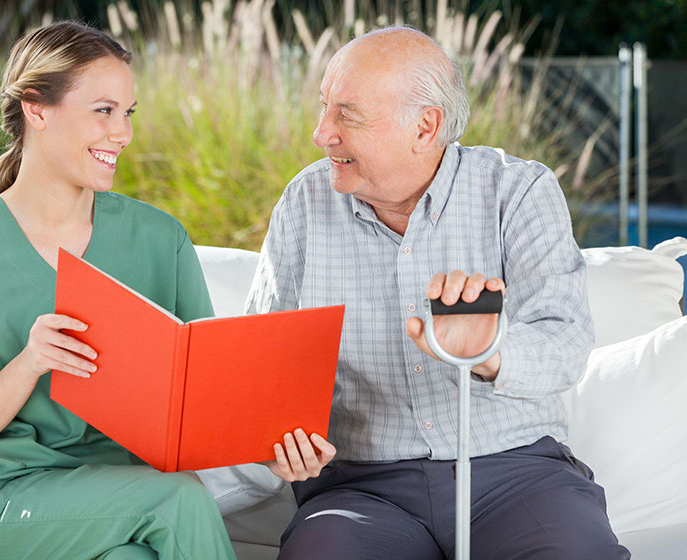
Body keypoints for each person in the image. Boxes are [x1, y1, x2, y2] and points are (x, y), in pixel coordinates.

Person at [245, 27, 631, 559]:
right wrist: (278, 436)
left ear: (425, 126)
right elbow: (265, 356)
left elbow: (565, 344)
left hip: (515, 474)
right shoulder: (304, 202)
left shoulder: (518, 191)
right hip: (360, 488)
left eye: (346, 115)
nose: (321, 133)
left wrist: (487, 351)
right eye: (323, 109)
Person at [0, 21, 239, 560]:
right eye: (103, 111)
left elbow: (205, 394)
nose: (123, 134)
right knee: (181, 502)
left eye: (127, 113)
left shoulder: (160, 240)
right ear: (37, 109)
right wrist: (30, 361)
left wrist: (273, 450)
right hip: (0, 502)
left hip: (121, 498)